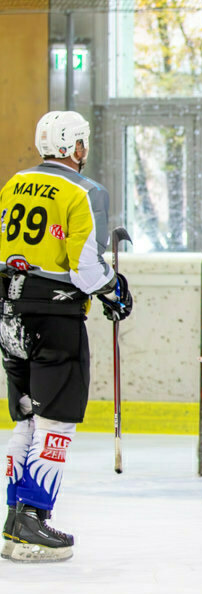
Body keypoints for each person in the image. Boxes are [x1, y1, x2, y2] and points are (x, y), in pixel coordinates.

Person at [1, 111, 132, 563]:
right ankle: (33, 519)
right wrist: (115, 290)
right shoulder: (85, 191)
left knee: (25, 418)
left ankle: (15, 518)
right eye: (83, 142)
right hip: (53, 318)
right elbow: (86, 268)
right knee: (55, 422)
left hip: (9, 314)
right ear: (75, 146)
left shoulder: (15, 184)